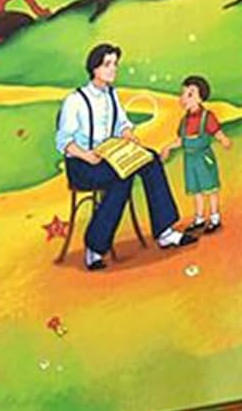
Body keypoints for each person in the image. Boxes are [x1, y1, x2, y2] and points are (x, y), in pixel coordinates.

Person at [55, 43, 195, 270]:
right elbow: (63, 141)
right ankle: (95, 249)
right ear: (94, 68)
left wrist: (129, 135)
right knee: (122, 178)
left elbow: (122, 124)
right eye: (107, 64)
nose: (113, 69)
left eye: (115, 64)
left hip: (109, 157)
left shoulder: (112, 95)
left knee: (150, 160)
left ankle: (165, 231)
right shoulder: (75, 100)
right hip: (82, 164)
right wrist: (87, 156)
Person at [161, 75, 233, 233]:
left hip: (203, 158)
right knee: (196, 190)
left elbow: (217, 132)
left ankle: (214, 218)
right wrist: (168, 147)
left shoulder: (207, 117)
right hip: (190, 160)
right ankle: (199, 218)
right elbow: (181, 140)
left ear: (201, 98)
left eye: (190, 94)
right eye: (183, 93)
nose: (184, 98)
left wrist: (224, 140)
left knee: (210, 188)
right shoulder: (184, 121)